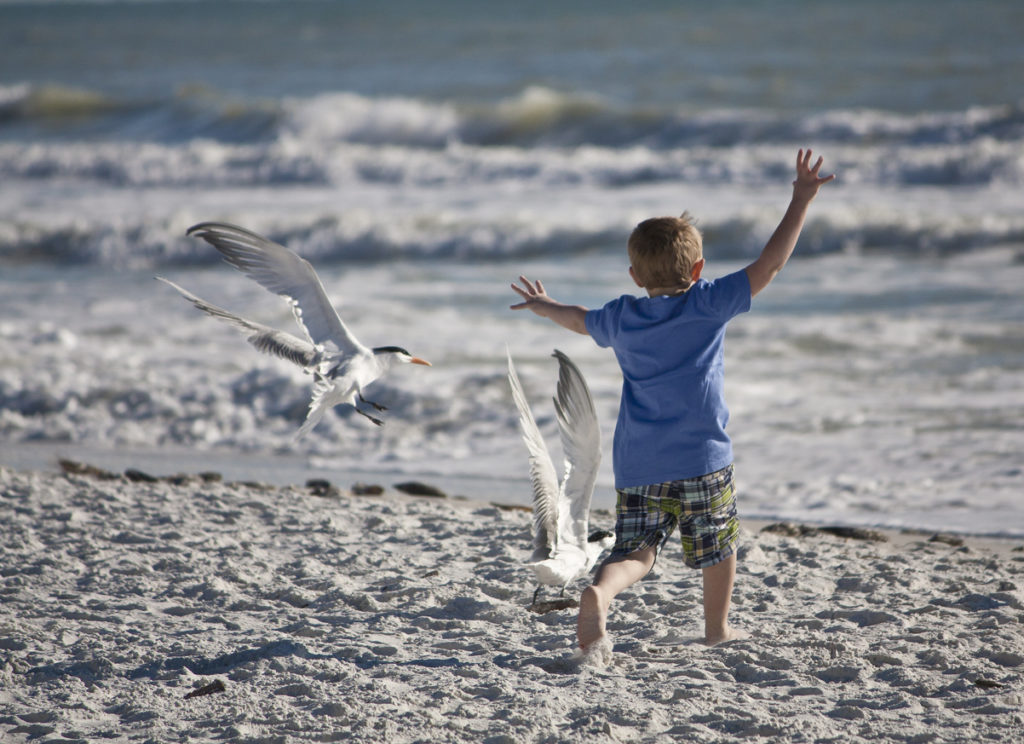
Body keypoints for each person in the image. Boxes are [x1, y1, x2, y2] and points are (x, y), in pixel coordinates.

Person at [509, 149, 835, 657]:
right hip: (703, 460)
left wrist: (543, 305)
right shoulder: (708, 303)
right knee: (718, 547)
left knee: (637, 553)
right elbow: (769, 265)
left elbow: (578, 317)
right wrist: (800, 199)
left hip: (640, 463)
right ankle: (717, 631)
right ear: (699, 268)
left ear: (635, 276)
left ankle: (601, 592)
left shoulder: (621, 316)